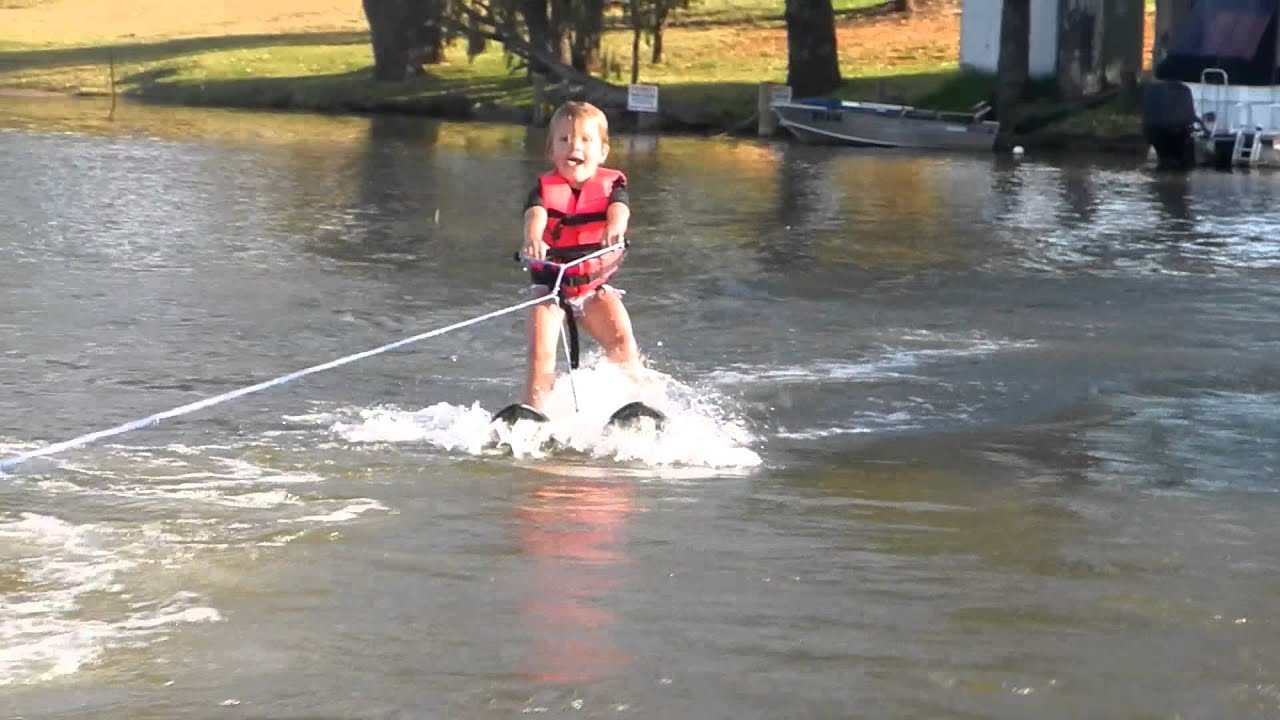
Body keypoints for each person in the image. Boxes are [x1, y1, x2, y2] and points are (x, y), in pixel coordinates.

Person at [518, 101, 642, 411]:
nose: (575, 146)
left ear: (602, 152)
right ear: (551, 151)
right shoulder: (542, 191)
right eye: (565, 140)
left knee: (622, 342)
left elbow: (620, 209)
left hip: (593, 289)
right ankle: (534, 411)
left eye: (585, 140)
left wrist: (616, 226)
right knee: (540, 353)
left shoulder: (612, 187)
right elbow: (535, 216)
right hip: (550, 289)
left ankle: (638, 405)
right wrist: (533, 238)